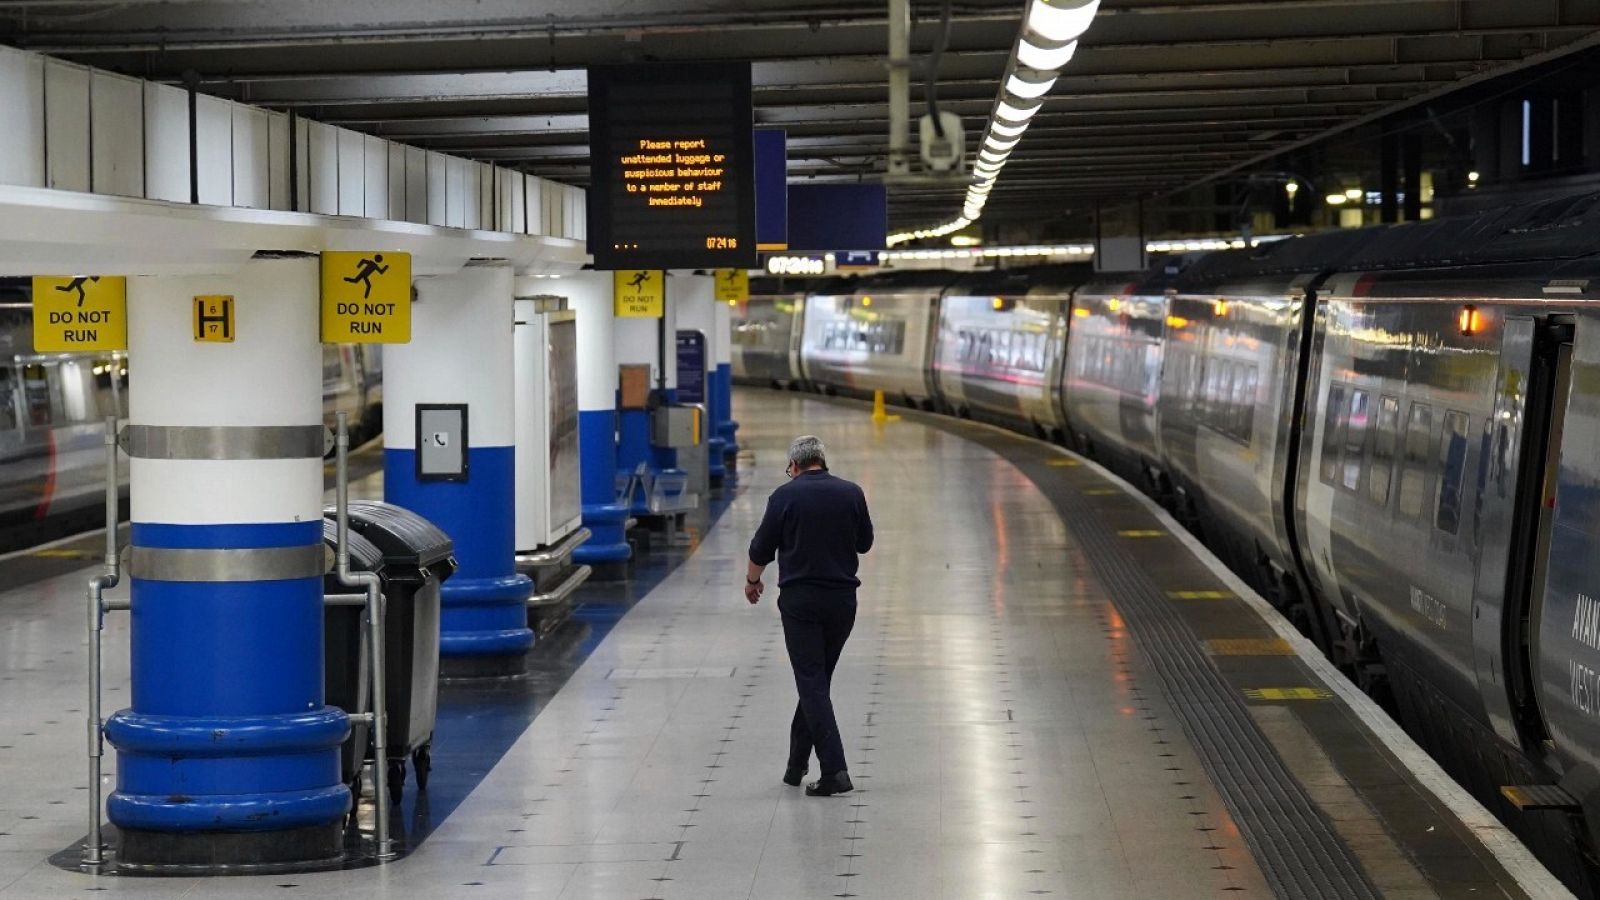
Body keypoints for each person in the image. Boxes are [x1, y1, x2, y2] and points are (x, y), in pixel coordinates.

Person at [745, 435, 874, 797]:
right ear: (822, 460)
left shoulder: (784, 497)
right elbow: (865, 543)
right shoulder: (851, 492)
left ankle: (835, 771)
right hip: (842, 602)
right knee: (816, 682)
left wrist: (752, 582)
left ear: (795, 466)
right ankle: (796, 764)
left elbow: (760, 549)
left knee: (812, 683)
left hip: (801, 603)